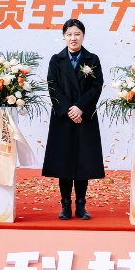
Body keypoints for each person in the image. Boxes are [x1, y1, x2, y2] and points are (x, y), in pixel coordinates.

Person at [42, 18, 105, 220]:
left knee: (83, 163)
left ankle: (81, 205)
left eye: (77, 34)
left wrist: (80, 108)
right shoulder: (56, 60)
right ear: (64, 37)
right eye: (69, 34)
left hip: (85, 116)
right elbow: (52, 86)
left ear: (83, 36)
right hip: (63, 117)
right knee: (64, 162)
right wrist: (69, 109)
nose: (73, 38)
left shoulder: (92, 59)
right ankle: (65, 205)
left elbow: (96, 86)